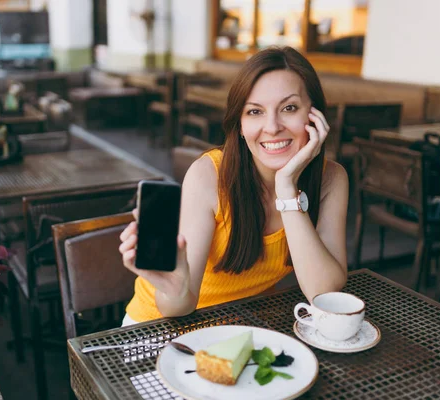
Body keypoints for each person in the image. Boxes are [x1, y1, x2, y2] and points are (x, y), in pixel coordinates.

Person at [119, 46, 349, 325]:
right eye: (255, 112)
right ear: (239, 125)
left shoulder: (330, 180)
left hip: (246, 327)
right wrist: (176, 287)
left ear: (314, 115)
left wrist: (287, 188)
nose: (272, 126)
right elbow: (178, 305)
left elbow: (324, 294)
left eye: (289, 108)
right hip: (158, 329)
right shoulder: (209, 176)